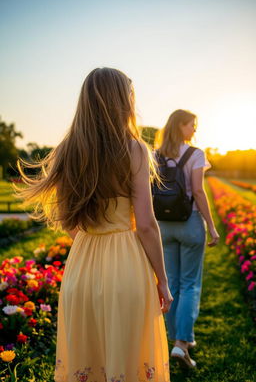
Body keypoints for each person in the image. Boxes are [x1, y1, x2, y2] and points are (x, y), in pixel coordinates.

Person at [16, 67, 172, 382]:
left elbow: (66, 220)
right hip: (125, 263)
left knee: (89, 360)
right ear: (122, 102)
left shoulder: (66, 151)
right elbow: (146, 225)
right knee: (127, 358)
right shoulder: (134, 149)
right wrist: (163, 281)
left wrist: (91, 240)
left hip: (81, 265)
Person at [156, 109, 220, 368]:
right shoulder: (195, 154)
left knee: (171, 283)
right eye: (192, 125)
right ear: (181, 126)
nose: (195, 130)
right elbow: (198, 191)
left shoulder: (155, 154)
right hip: (189, 222)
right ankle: (182, 344)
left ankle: (175, 340)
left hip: (164, 225)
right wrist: (212, 228)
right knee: (190, 283)